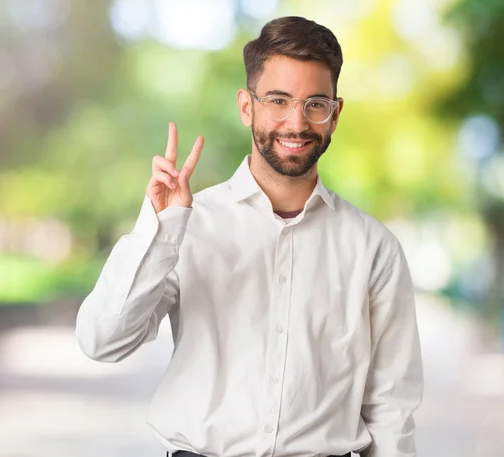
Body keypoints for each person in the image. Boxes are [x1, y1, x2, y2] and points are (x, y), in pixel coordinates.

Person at [76, 15, 423, 457]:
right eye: (278, 100)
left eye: (315, 103)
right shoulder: (189, 225)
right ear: (247, 106)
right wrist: (160, 229)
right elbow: (102, 341)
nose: (296, 123)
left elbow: (391, 409)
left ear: (335, 114)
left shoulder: (373, 248)